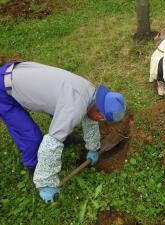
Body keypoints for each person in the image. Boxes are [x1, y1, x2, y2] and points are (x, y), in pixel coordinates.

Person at [0, 61, 126, 203]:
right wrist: (46, 182)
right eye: (103, 119)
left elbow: (90, 118)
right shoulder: (74, 107)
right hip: (4, 88)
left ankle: (65, 137)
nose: (101, 121)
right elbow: (50, 144)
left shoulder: (91, 93)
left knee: (64, 119)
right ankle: (35, 170)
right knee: (32, 139)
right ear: (100, 114)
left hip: (22, 73)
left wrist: (93, 148)